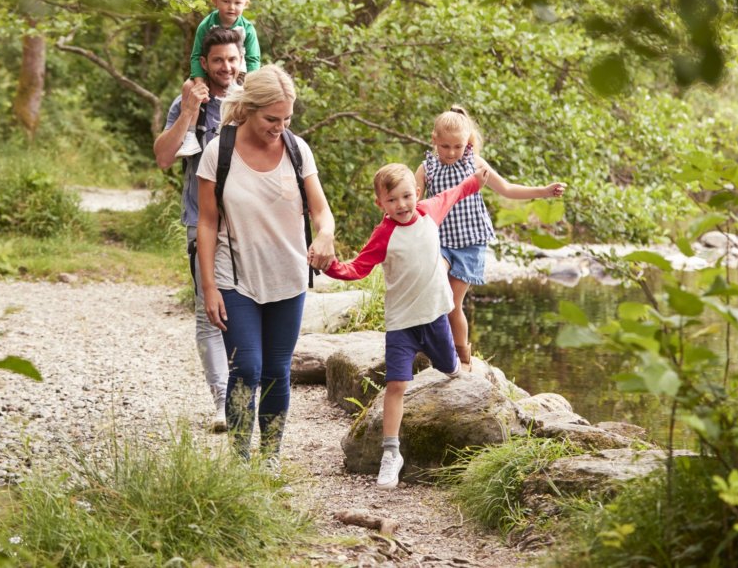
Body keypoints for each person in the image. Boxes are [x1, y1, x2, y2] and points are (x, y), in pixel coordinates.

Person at [195, 65, 335, 462]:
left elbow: (322, 212)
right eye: (271, 119)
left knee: (277, 370)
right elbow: (207, 223)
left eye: (287, 118)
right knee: (247, 369)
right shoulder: (217, 153)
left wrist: (325, 234)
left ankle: (270, 458)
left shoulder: (296, 150)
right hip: (234, 278)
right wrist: (208, 287)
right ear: (248, 110)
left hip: (288, 277)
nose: (280, 126)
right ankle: (240, 463)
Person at [323, 162, 489, 489]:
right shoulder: (384, 234)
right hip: (401, 324)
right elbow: (357, 268)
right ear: (380, 204)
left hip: (435, 317)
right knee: (397, 385)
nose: (401, 204)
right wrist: (328, 266)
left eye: (407, 196)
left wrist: (474, 182)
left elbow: (453, 194)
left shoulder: (429, 212)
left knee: (449, 369)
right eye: (392, 200)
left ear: (416, 193)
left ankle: (457, 362)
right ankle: (391, 452)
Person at [414, 106, 566, 370]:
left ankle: (462, 358)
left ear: (468, 143)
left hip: (470, 244)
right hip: (439, 242)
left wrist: (543, 191)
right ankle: (432, 346)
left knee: (452, 303)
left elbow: (506, 189)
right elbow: (412, 202)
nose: (451, 152)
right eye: (445, 146)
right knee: (436, 291)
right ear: (434, 140)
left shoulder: (475, 164)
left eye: (457, 146)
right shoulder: (426, 168)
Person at [153, 27, 246, 432]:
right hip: (200, 221)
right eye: (218, 60)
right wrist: (189, 111)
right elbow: (163, 158)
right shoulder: (187, 102)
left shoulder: (251, 102)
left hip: (248, 224)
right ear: (204, 64)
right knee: (209, 314)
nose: (226, 67)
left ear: (241, 62)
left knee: (247, 309)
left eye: (232, 60)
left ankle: (248, 390)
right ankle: (223, 401)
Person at [177, 0, 261, 158]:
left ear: (246, 4)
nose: (232, 7)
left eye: (237, 3)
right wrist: (199, 81)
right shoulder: (206, 25)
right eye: (226, 1)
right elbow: (196, 55)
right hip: (209, 71)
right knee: (190, 88)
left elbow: (254, 60)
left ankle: (247, 137)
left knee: (250, 99)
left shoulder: (247, 29)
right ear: (215, 1)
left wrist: (251, 83)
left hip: (240, 73)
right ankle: (190, 135)